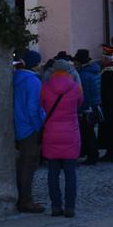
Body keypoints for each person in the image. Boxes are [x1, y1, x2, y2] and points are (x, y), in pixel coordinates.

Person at [40, 58, 83, 217]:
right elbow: (79, 104)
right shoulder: (76, 88)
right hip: (70, 133)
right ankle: (70, 207)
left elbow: (43, 106)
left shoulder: (45, 88)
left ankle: (56, 207)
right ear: (67, 71)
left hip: (51, 133)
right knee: (70, 173)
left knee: (53, 173)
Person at [13, 51, 46, 212]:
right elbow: (34, 108)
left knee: (22, 164)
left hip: (18, 125)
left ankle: (22, 197)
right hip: (29, 128)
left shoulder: (15, 77)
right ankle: (26, 200)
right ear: (36, 64)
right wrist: (39, 125)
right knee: (29, 164)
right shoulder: (33, 81)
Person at [74, 49, 102, 165]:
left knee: (88, 133)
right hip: (95, 104)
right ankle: (92, 154)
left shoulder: (84, 74)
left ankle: (92, 156)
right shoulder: (94, 71)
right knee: (89, 132)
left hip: (88, 107)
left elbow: (83, 93)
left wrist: (80, 109)